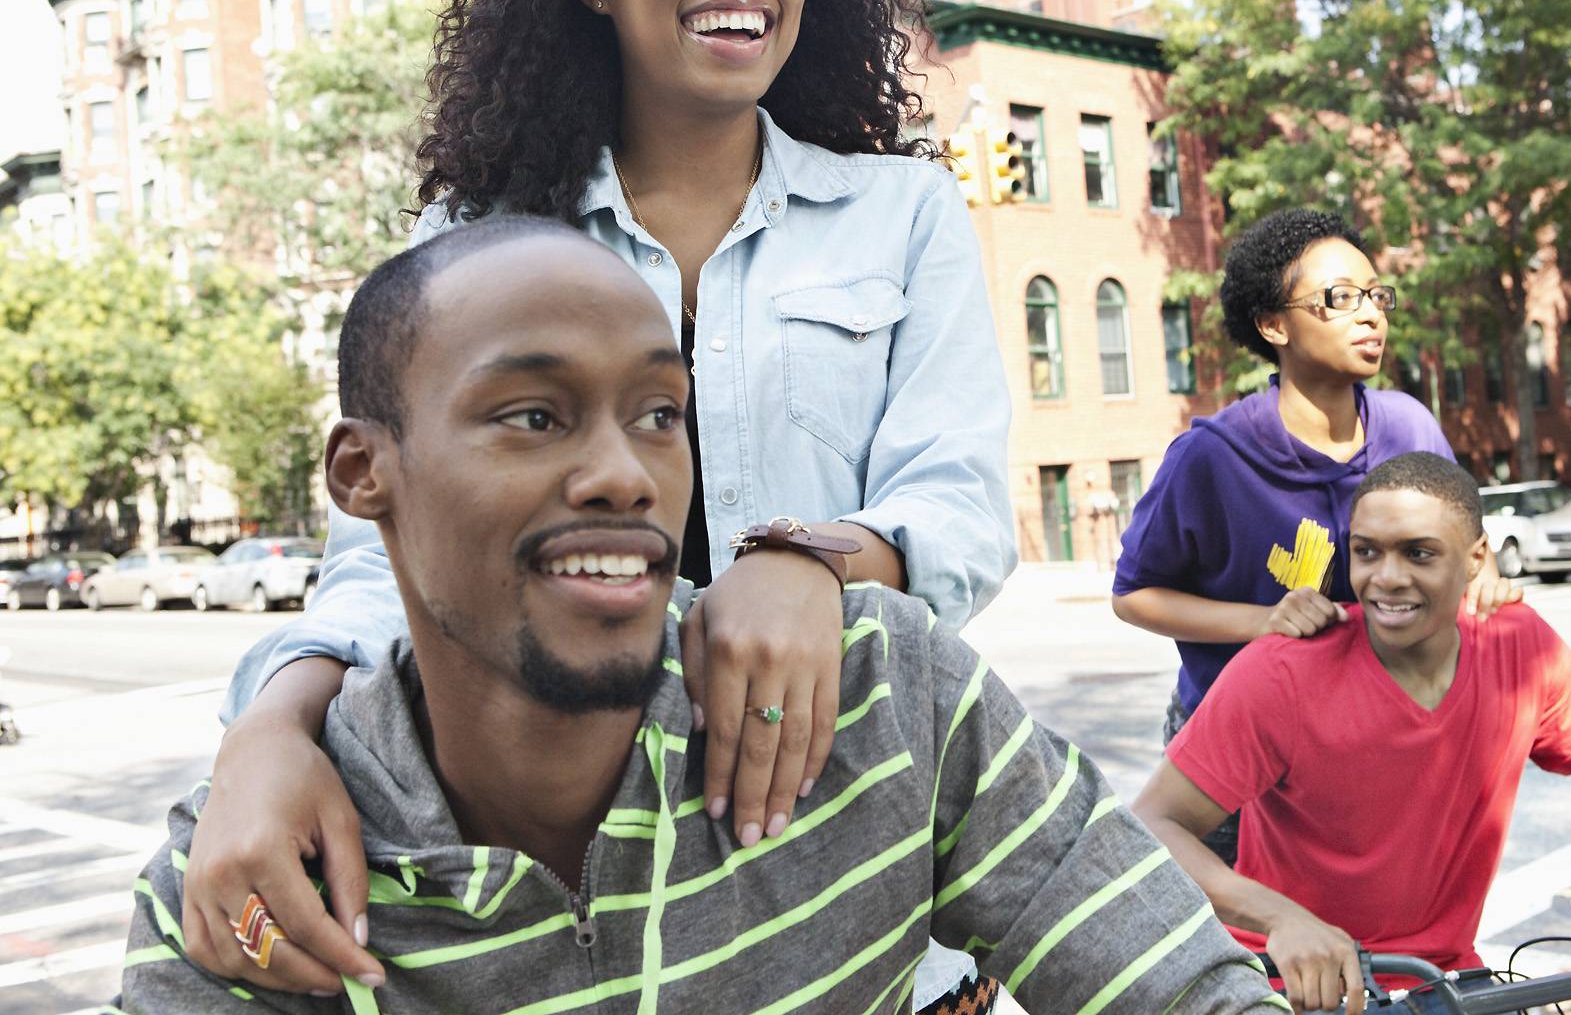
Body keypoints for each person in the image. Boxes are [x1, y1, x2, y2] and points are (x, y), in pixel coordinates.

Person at [179, 0, 1014, 1009]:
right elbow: (384, 553)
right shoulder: (479, 236)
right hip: (580, 911)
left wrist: (812, 566)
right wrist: (267, 731)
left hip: (858, 868)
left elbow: (963, 504)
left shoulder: (907, 212)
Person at [120, 218, 1284, 1015]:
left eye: (660, 413)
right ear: (363, 472)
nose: (625, 473)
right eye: (532, 415)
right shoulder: (253, 875)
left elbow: (1183, 986)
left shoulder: (885, 695)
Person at [1132, 452, 1571, 1015]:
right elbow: (1155, 825)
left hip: (1445, 984)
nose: (1386, 578)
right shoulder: (1284, 671)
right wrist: (1280, 919)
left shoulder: (1520, 648)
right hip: (1292, 984)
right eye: (1367, 552)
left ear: (1477, 558)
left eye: (1418, 553)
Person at [1111, 208, 1517, 865]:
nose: (1371, 315)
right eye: (1339, 299)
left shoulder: (1410, 427)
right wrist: (1266, 619)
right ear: (1274, 325)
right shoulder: (1211, 457)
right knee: (1240, 952)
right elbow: (1135, 595)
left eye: (1375, 296)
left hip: (1372, 745)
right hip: (1235, 756)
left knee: (1368, 948)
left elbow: (1468, 544)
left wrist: (1485, 575)